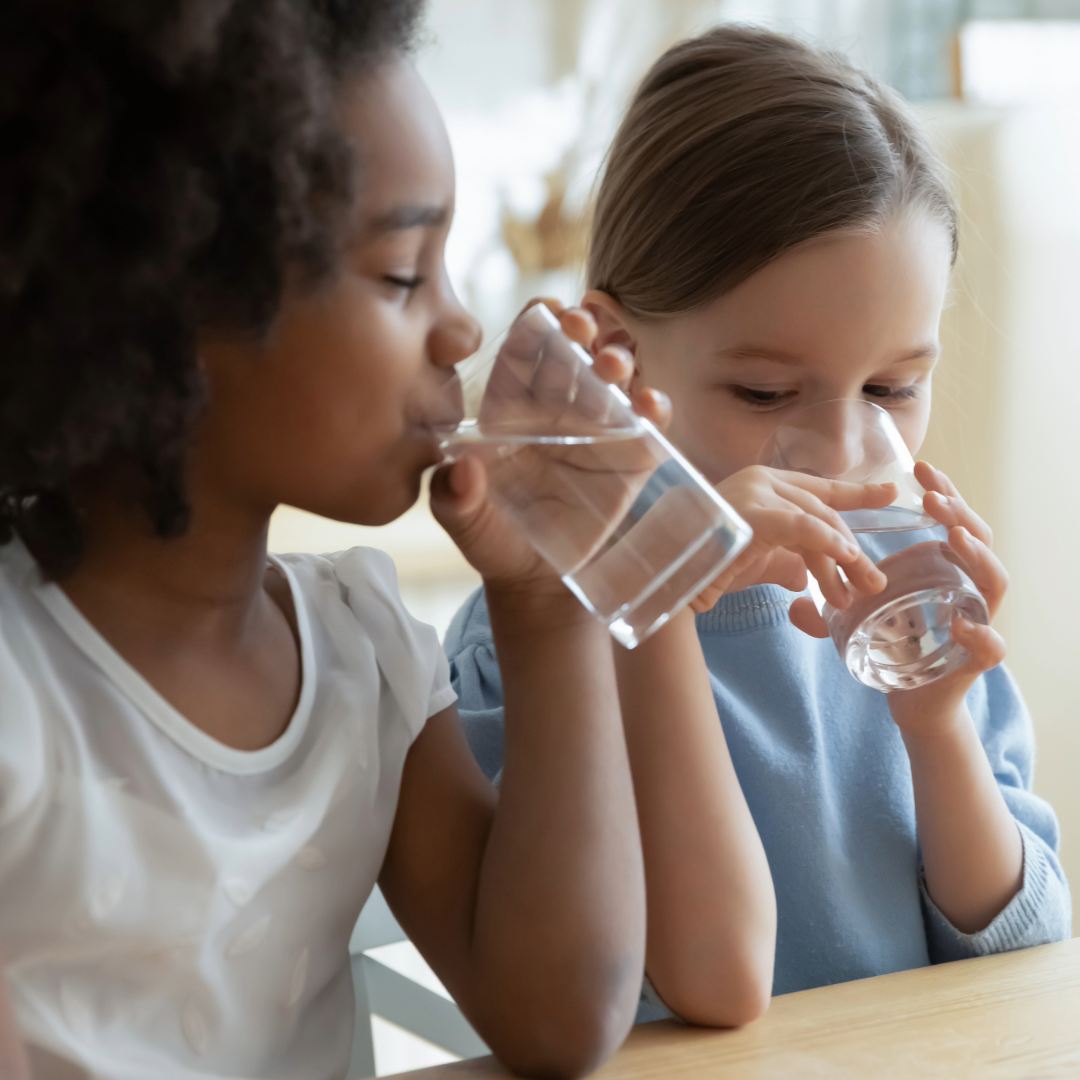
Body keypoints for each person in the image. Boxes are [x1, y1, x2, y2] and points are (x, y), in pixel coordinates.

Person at [0, 2, 674, 1076]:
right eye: (405, 273)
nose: (461, 327)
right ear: (161, 308)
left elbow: (563, 1016)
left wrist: (546, 603)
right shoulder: (22, 695)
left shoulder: (362, 654)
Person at [446, 24, 1072, 1025]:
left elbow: (1022, 957)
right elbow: (699, 979)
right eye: (768, 391)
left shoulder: (905, 604)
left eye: (894, 385)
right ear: (617, 355)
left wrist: (939, 729)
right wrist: (656, 577)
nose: (840, 449)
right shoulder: (539, 630)